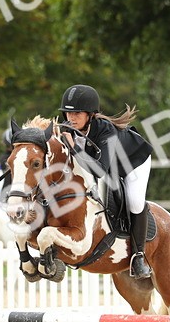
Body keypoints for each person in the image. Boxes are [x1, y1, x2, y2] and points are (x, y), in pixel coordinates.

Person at [58, 84, 155, 279]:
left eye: (77, 113)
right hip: (107, 163)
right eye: (68, 114)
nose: (71, 118)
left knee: (135, 201)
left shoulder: (106, 131)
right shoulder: (67, 128)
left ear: (90, 114)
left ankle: (139, 256)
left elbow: (99, 170)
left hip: (133, 161)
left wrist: (72, 146)